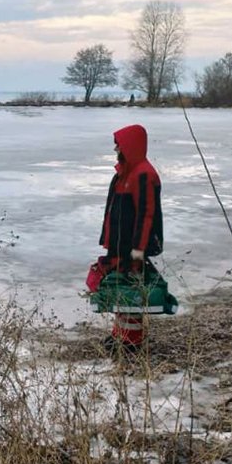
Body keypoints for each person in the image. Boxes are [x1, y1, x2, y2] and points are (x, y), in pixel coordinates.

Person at [99, 124, 163, 352]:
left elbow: (147, 213)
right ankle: (119, 334)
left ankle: (131, 342)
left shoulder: (144, 174)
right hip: (119, 243)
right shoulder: (125, 172)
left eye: (119, 143)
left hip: (134, 246)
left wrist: (139, 248)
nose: (116, 147)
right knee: (119, 287)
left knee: (131, 291)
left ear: (130, 145)